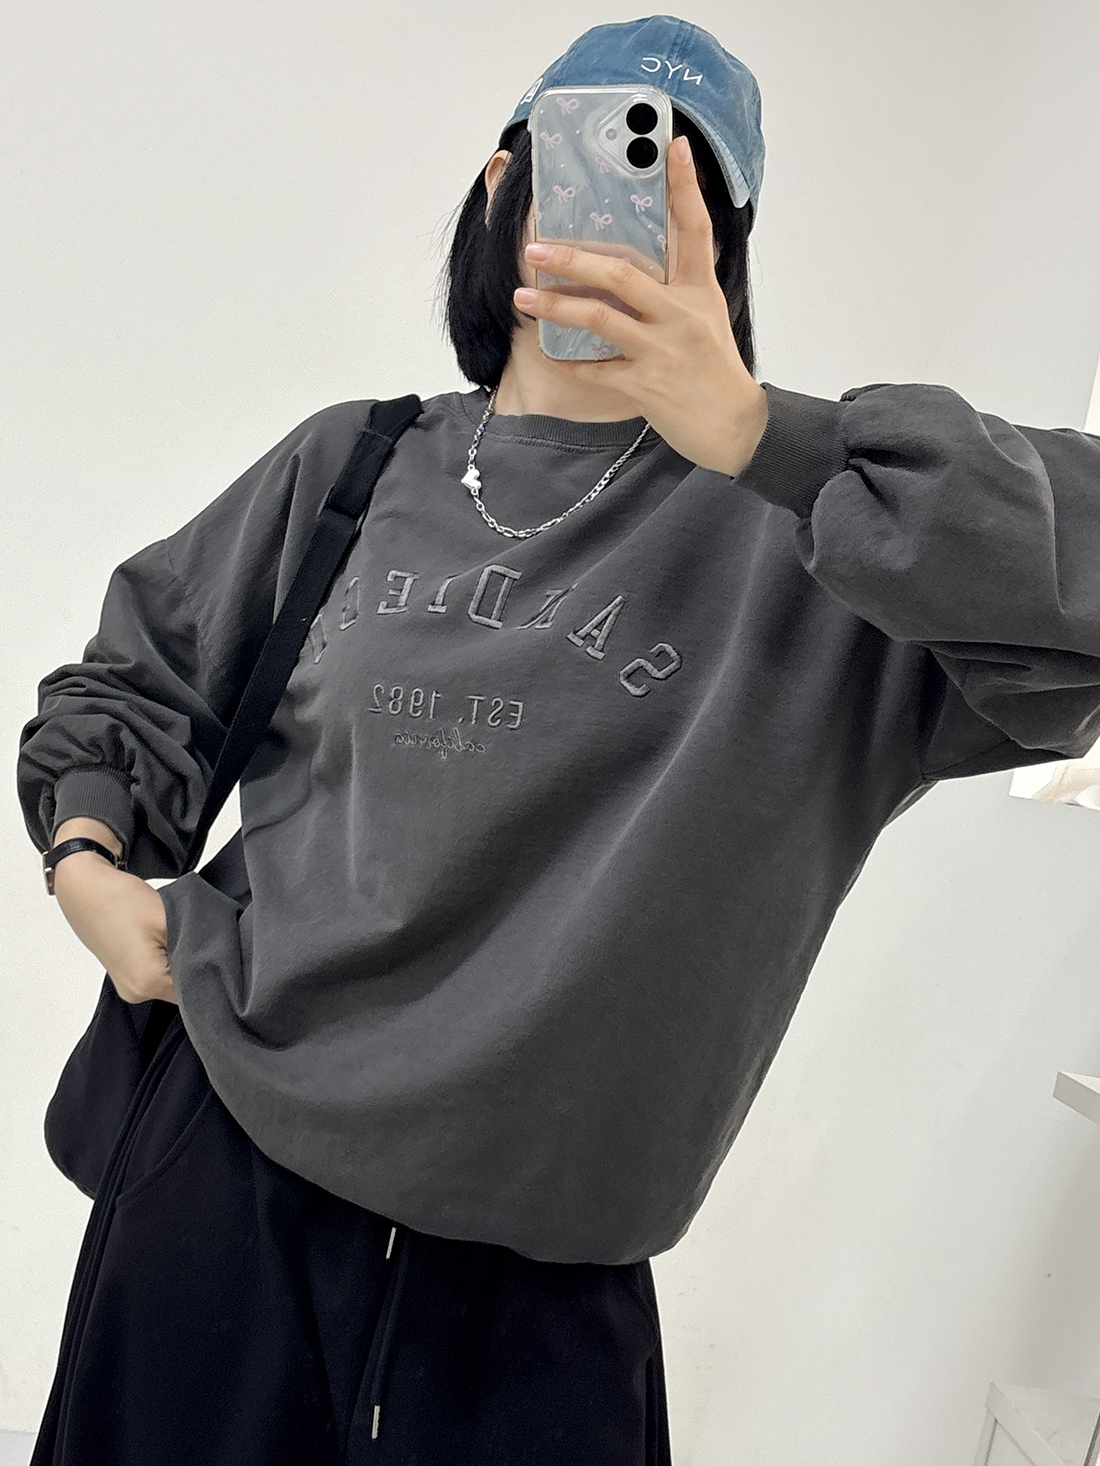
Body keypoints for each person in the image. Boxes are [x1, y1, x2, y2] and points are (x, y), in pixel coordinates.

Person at [16, 13, 1100, 1465]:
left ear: (725, 243)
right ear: (500, 182)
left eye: (678, 178)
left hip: (534, 1314)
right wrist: (90, 866)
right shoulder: (356, 462)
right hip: (220, 1184)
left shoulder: (830, 552)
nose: (617, 205)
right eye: (587, 154)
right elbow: (131, 678)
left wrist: (763, 436)